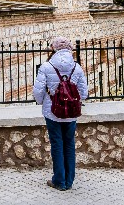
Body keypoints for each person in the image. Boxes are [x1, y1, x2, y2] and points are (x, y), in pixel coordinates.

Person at [33, 36, 88, 191]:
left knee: (57, 144)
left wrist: (42, 102)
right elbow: (84, 93)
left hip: (52, 111)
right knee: (69, 144)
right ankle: (69, 181)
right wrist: (73, 100)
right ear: (70, 49)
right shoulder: (76, 67)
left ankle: (59, 180)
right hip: (71, 113)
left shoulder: (46, 66)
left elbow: (38, 91)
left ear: (54, 49)